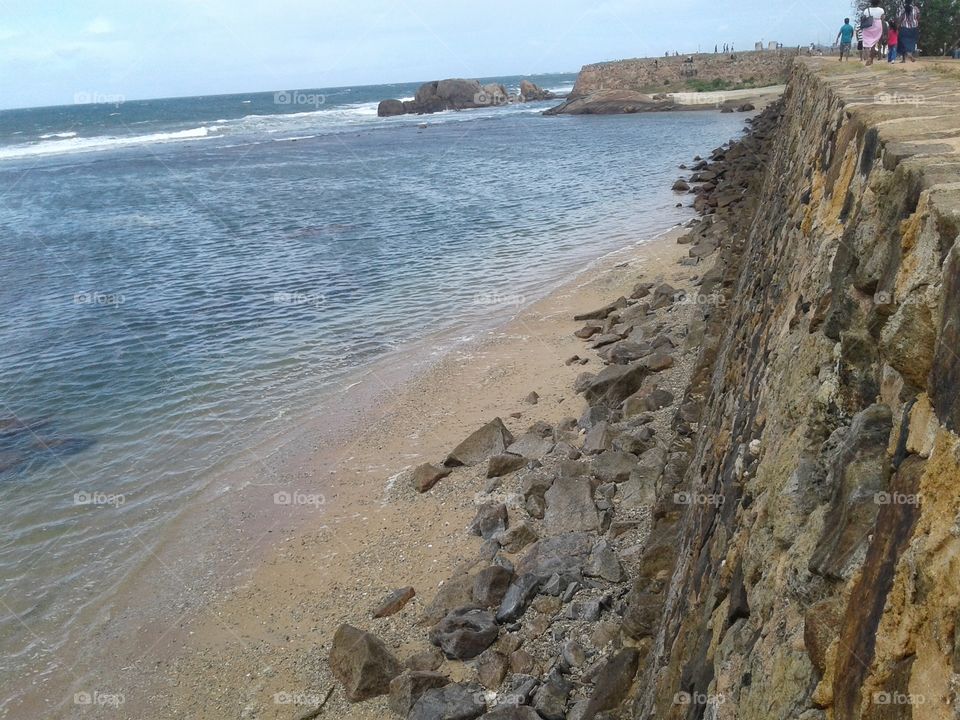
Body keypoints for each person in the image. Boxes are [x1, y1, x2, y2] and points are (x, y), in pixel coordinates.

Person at [860, 1, 885, 66]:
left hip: (868, 25)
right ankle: (871, 59)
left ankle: (868, 58)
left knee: (866, 43)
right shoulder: (881, 10)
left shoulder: (866, 10)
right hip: (878, 26)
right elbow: (883, 18)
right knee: (873, 43)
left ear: (871, 3)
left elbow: (863, 18)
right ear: (878, 2)